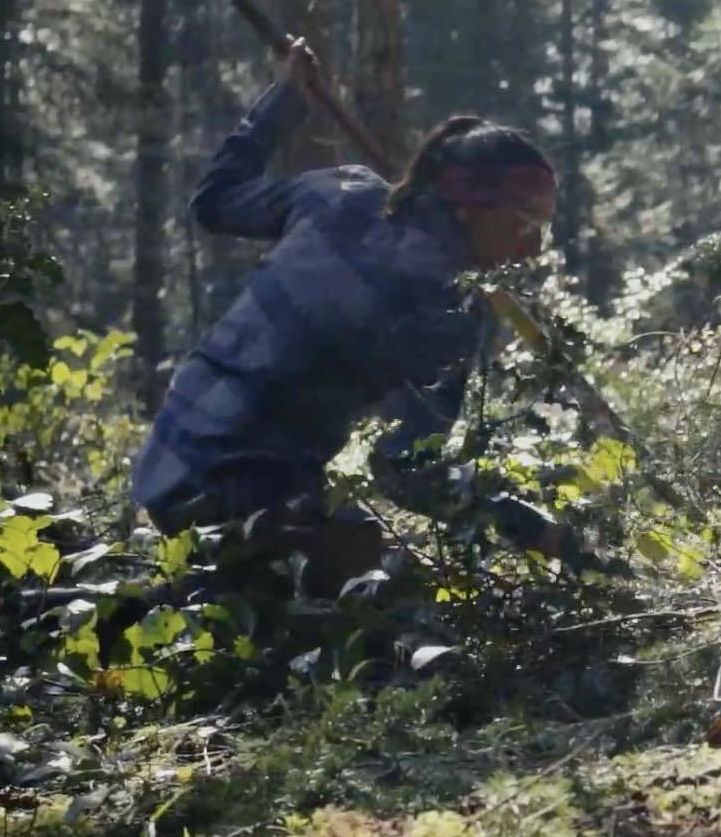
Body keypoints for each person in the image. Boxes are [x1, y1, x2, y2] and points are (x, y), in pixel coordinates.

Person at [131, 41, 566, 595]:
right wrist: (533, 528)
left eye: (543, 230)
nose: (531, 249)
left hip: (164, 464)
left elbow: (214, 200)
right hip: (247, 493)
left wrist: (284, 99)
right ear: (471, 202)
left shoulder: (340, 193)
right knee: (393, 599)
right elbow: (410, 473)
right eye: (527, 221)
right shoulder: (449, 308)